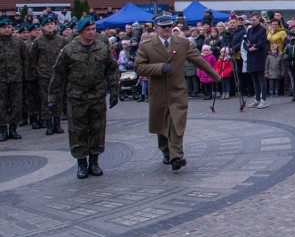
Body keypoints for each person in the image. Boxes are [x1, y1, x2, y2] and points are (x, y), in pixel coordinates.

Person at [134, 15, 221, 171]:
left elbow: (198, 60)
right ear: (156, 28)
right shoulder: (146, 46)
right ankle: (166, 152)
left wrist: (216, 76)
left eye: (169, 26)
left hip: (177, 91)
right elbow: (139, 67)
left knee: (177, 123)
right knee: (161, 126)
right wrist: (158, 68)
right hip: (158, 93)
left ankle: (176, 157)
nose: (167, 29)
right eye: (163, 27)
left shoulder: (182, 43)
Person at [48, 16, 119, 179]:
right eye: (88, 30)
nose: (91, 32)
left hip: (97, 95)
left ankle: (94, 162)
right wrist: (52, 97)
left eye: (93, 29)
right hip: (76, 96)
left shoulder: (102, 48)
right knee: (77, 130)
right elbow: (58, 74)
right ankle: (81, 163)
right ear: (80, 32)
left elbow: (112, 70)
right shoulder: (69, 50)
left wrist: (114, 91)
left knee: (98, 128)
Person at [30, 17, 67, 135]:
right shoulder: (38, 41)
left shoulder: (61, 40)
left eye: (51, 24)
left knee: (59, 99)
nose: (50, 26)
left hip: (59, 75)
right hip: (44, 76)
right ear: (42, 27)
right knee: (46, 100)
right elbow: (33, 58)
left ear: (55, 25)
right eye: (47, 24)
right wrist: (37, 72)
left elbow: (67, 56)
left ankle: (57, 123)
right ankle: (49, 124)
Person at [0, 18, 28, 141]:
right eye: (4, 27)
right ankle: (2, 130)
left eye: (9, 27)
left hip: (16, 78)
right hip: (1, 80)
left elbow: (25, 60)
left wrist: (26, 76)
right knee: (1, 105)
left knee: (16, 104)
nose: (7, 29)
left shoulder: (18, 42)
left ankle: (13, 129)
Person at [245, 12, 269, 108]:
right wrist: (249, 48)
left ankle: (263, 100)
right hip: (251, 56)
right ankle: (256, 99)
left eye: (254, 20)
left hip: (259, 56)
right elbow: (246, 42)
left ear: (258, 19)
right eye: (251, 20)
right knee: (254, 79)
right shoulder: (249, 30)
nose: (252, 21)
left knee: (261, 78)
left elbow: (262, 43)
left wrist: (253, 46)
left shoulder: (262, 29)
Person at [283, 30, 295, 101]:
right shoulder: (288, 46)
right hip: (290, 66)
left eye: (294, 36)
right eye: (292, 36)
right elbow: (284, 54)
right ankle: (294, 95)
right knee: (292, 81)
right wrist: (288, 57)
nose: (293, 37)